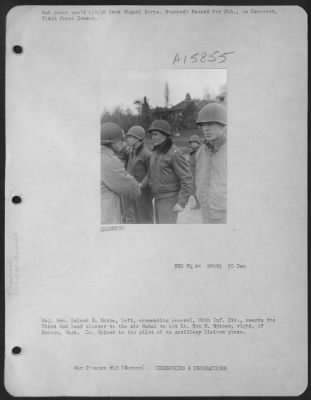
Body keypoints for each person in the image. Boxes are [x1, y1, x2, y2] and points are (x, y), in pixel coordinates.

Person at [141, 119, 192, 224]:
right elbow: (151, 172)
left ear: (165, 135)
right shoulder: (155, 151)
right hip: (157, 198)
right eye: (151, 135)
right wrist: (141, 185)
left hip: (169, 200)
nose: (152, 137)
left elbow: (187, 179)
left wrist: (182, 203)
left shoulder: (175, 153)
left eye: (155, 134)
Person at [101, 122, 141, 224]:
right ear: (111, 142)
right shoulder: (109, 160)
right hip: (106, 214)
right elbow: (131, 187)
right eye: (121, 140)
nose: (124, 143)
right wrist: (138, 187)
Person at [195, 103, 227, 224]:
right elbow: (199, 178)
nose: (205, 129)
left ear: (222, 125)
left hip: (226, 214)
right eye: (202, 125)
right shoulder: (201, 152)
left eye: (210, 124)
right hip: (206, 211)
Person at [125, 126, 154, 224]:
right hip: (134, 191)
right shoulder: (132, 152)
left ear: (138, 139)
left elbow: (151, 173)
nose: (127, 139)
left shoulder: (147, 154)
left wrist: (141, 184)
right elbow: (129, 169)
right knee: (137, 219)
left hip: (144, 193)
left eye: (130, 137)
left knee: (146, 219)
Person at [188, 134, 201, 210]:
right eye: (191, 142)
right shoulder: (192, 153)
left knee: (199, 190)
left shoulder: (200, 152)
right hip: (192, 174)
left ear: (198, 143)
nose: (193, 144)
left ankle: (200, 204)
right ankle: (198, 203)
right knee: (193, 190)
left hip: (199, 174)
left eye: (194, 142)